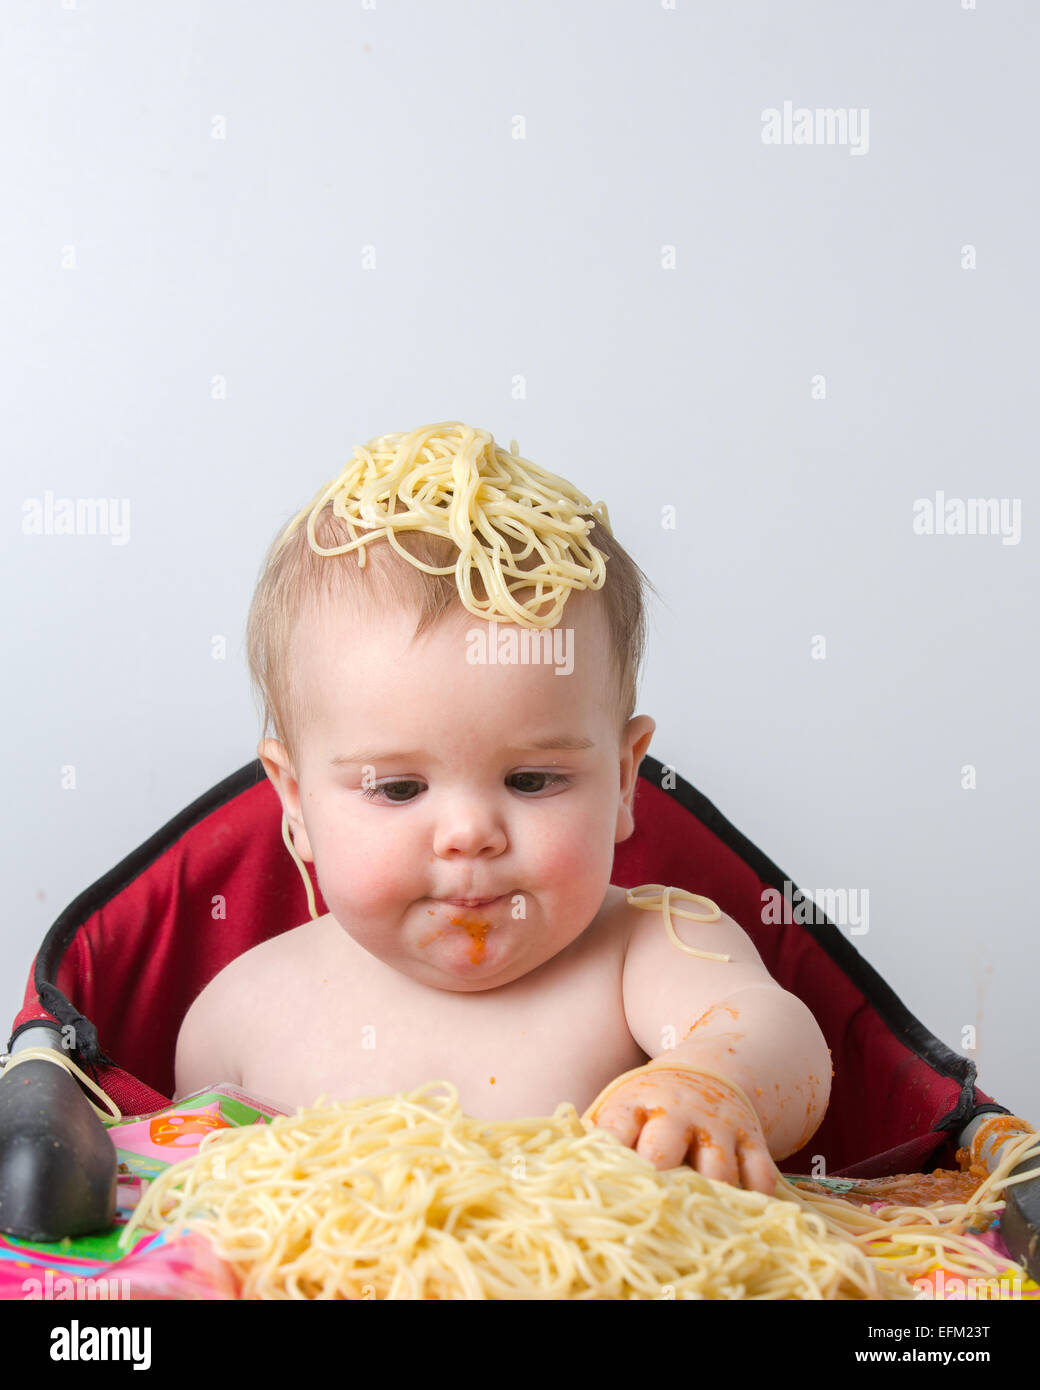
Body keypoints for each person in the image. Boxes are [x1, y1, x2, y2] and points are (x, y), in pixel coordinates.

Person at [174, 422, 831, 1194]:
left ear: (623, 781)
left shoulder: (647, 949)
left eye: (530, 781)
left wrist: (709, 1083)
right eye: (397, 789)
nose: (469, 835)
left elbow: (784, 1042)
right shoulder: (241, 1015)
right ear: (295, 802)